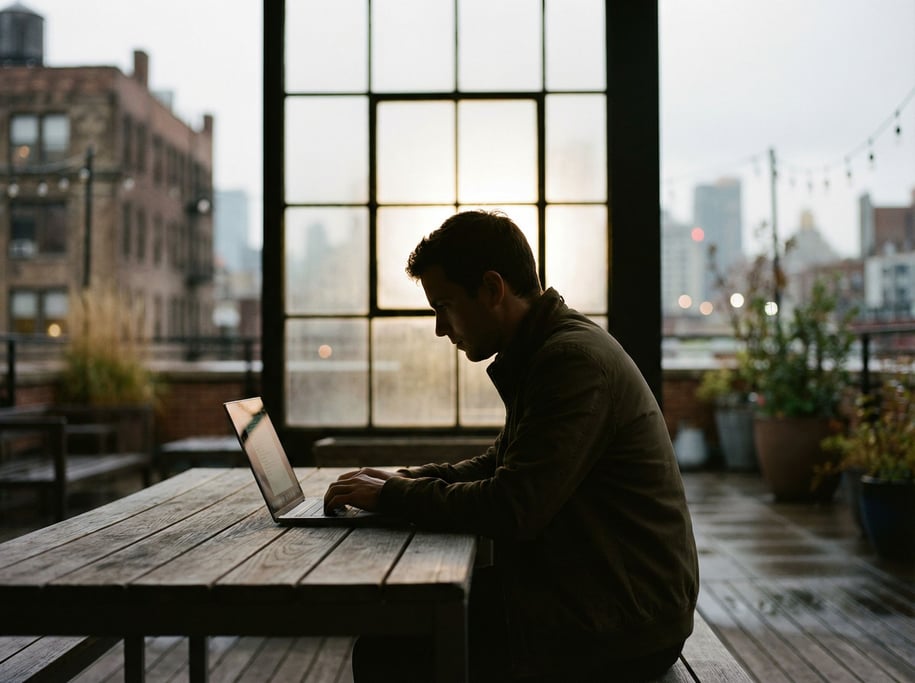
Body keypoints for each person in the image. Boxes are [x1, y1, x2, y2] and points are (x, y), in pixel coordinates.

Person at [324, 210, 699, 682]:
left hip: (620, 622)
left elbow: (513, 507)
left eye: (444, 305)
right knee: (405, 618)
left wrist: (394, 496)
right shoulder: (548, 348)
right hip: (603, 595)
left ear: (492, 288)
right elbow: (500, 464)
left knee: (387, 650)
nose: (440, 329)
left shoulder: (569, 362)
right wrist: (408, 480)